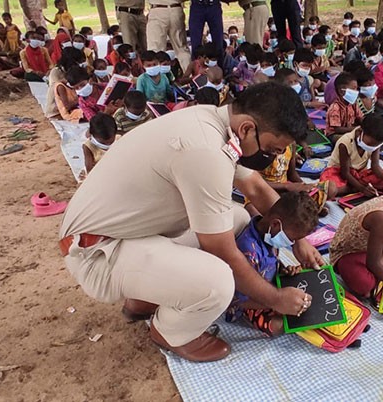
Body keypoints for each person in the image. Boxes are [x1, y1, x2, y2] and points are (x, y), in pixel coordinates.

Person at [58, 82, 324, 362]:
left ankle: (143, 297)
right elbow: (224, 253)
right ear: (247, 129)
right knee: (219, 281)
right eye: (271, 149)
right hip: (96, 254)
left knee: (238, 218)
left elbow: (255, 187)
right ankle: (171, 332)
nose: (273, 157)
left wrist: (298, 241)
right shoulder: (205, 151)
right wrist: (275, 298)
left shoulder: (213, 121)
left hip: (122, 233)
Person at [226, 192, 320, 336]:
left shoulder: (270, 235)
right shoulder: (248, 251)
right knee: (278, 326)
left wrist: (284, 271)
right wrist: (276, 303)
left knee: (298, 302)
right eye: (291, 239)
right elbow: (238, 299)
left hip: (271, 290)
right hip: (248, 301)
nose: (292, 244)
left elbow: (271, 263)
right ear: (275, 224)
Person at [320, 114, 383, 197]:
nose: (372, 147)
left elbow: (375, 166)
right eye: (370, 144)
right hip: (339, 173)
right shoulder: (345, 143)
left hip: (360, 175)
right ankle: (350, 189)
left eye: (375, 145)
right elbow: (345, 173)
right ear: (361, 132)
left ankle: (352, 189)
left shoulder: (376, 142)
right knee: (331, 189)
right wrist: (362, 189)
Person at [146, 0, 190, 71]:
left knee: (155, 49)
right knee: (181, 48)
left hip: (157, 9)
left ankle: (156, 78)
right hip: (176, 9)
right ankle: (190, 77)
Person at [46, 47, 86, 119]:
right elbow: (60, 90)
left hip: (70, 103)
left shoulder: (71, 71)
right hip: (57, 108)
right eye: (80, 62)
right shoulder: (56, 72)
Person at [325, 72, 364, 143]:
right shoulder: (334, 107)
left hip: (350, 130)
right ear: (341, 91)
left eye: (356, 88)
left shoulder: (353, 104)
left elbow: (361, 118)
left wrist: (367, 124)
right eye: (353, 89)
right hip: (335, 134)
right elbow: (338, 129)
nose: (356, 92)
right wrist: (356, 128)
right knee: (348, 140)